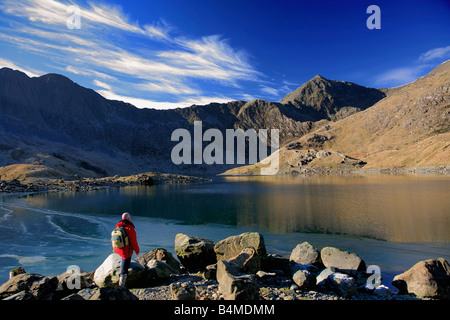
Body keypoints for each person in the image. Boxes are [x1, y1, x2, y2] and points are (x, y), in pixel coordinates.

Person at [114, 212, 140, 286]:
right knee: (124, 268)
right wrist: (137, 250)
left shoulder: (118, 226)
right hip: (126, 250)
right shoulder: (129, 227)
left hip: (118, 248)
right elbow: (133, 241)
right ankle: (121, 285)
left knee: (124, 259)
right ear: (129, 218)